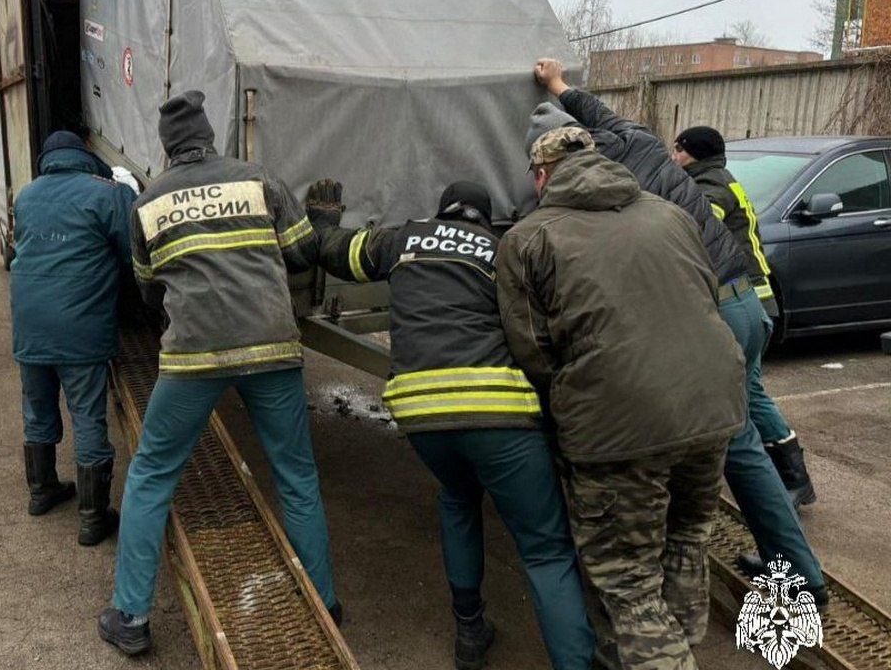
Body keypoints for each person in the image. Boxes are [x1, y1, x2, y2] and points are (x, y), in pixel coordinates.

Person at [529, 59, 827, 604]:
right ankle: (789, 559)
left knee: (733, 442)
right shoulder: (636, 140)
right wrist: (557, 85)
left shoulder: (605, 192)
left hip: (708, 307)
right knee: (736, 433)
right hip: (745, 302)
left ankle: (796, 571)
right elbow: (598, 110)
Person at [305, 178, 596, 670]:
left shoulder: (402, 239)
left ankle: (469, 631)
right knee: (545, 551)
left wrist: (324, 222)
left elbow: (338, 253)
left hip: (421, 414)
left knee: (458, 498)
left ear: (440, 212)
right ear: (485, 218)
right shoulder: (506, 251)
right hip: (499, 416)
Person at [496, 126, 747, 670]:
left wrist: (572, 405)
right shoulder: (670, 213)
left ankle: (661, 658)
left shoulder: (529, 238)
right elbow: (703, 296)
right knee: (685, 542)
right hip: (713, 406)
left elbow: (535, 350)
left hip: (619, 425)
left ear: (542, 175)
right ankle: (680, 648)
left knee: (627, 581)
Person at [98, 91, 337, 656]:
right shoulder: (259, 181)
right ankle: (325, 603)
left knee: (152, 473)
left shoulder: (148, 203)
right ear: (211, 137)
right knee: (296, 477)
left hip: (193, 357)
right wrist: (325, 220)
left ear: (167, 148)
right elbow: (303, 254)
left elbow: (148, 289)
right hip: (272, 348)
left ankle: (130, 616)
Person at [672, 125, 816, 508]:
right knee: (748, 391)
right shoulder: (720, 177)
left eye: (678, 149)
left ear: (692, 153)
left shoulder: (709, 188)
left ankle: (791, 479)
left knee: (749, 393)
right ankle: (787, 477)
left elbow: (694, 229)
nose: (673, 156)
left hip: (745, 298)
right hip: (755, 297)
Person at [9, 130, 136, 546]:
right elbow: (132, 254)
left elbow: (18, 252)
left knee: (38, 407)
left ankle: (42, 491)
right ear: (84, 156)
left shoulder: (26, 196)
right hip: (81, 328)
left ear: (47, 158)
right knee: (86, 415)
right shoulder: (108, 194)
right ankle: (92, 516)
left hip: (29, 325)